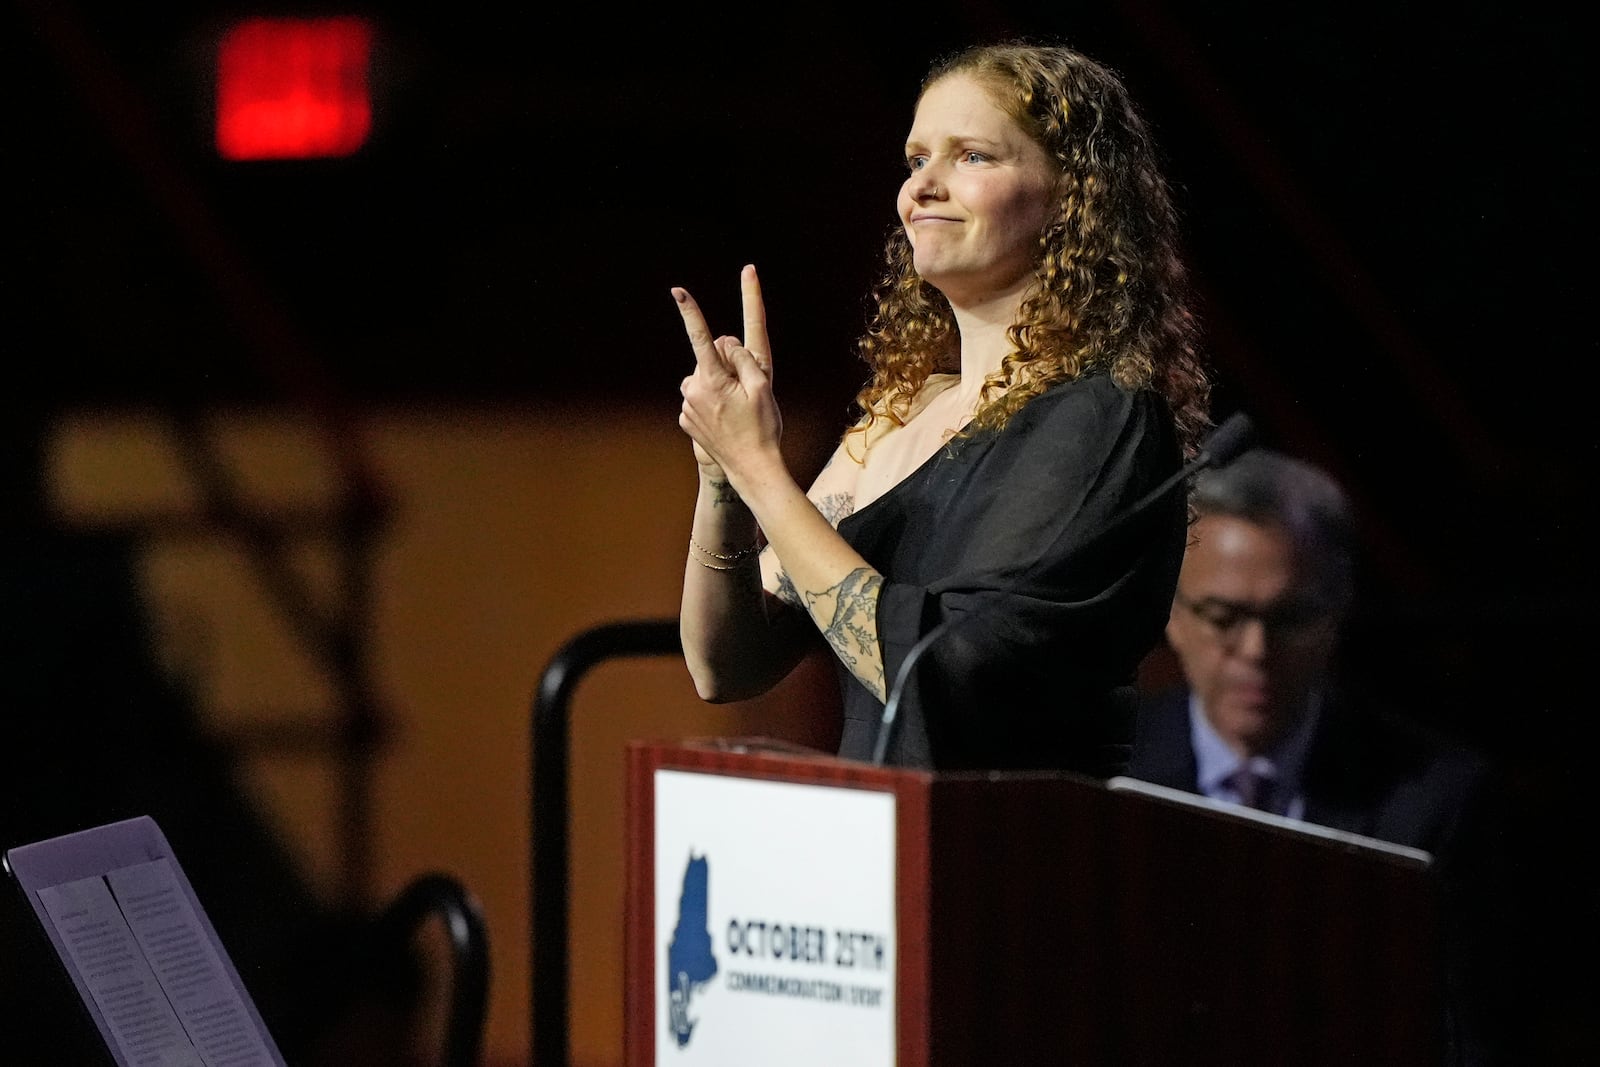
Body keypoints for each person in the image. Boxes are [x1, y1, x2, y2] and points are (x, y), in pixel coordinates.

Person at [673, 40, 1211, 772]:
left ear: (1072, 194)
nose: (922, 186)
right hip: (877, 843)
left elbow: (947, 670)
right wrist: (723, 479)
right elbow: (725, 667)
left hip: (1001, 851)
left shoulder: (1099, 417)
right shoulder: (895, 417)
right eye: (917, 158)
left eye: (973, 156)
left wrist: (759, 465)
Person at [1127, 446, 1524, 1064]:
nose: (1255, 650)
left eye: (1290, 618)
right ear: (1172, 616)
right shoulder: (1101, 770)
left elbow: (1466, 1042)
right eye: (1224, 616)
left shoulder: (1435, 802)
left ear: (1336, 615)